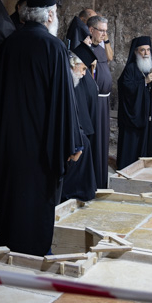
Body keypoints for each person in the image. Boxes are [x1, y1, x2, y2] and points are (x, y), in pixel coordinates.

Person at [0, 0, 83, 256]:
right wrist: (73, 143)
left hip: (10, 145)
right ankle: (34, 255)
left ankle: (9, 253)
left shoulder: (8, 45)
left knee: (12, 201)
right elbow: (64, 102)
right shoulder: (53, 48)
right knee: (36, 205)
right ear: (50, 15)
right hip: (41, 147)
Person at [116, 36, 152, 170]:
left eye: (148, 50)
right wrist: (144, 82)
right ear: (135, 52)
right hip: (134, 118)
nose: (145, 54)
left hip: (148, 115)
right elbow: (125, 88)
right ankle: (129, 167)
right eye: (142, 50)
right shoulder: (130, 69)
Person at [61, 43, 99, 202]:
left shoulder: (75, 79)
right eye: (83, 69)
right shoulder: (65, 79)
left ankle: (81, 191)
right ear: (74, 64)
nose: (84, 74)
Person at [87, 15, 112, 187]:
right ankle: (92, 179)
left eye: (105, 30)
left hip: (105, 101)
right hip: (94, 102)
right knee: (95, 141)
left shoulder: (102, 47)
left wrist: (106, 40)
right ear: (91, 30)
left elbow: (109, 58)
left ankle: (102, 179)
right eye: (101, 30)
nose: (104, 34)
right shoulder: (84, 47)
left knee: (103, 140)